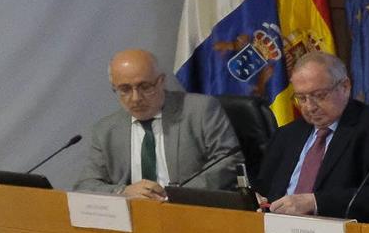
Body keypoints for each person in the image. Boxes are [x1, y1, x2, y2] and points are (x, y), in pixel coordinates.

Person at [254, 51, 369, 222]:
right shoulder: (287, 134)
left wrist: (316, 202)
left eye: (319, 96)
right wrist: (258, 198)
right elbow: (264, 185)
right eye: (301, 98)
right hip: (278, 232)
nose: (310, 107)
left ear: (345, 87)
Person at [72, 48, 242, 198]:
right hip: (137, 218)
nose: (136, 98)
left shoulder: (200, 110)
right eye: (124, 90)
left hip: (192, 211)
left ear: (161, 81)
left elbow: (230, 161)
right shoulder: (106, 130)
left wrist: (174, 195)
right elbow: (85, 186)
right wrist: (123, 192)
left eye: (145, 87)